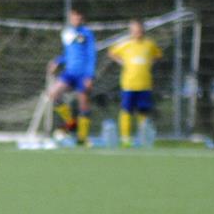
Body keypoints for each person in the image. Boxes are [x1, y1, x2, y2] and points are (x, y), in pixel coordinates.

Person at [108, 19, 161, 147]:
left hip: (145, 84)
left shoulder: (149, 44)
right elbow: (111, 53)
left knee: (143, 111)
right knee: (126, 110)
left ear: (143, 30)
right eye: (135, 30)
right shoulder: (126, 44)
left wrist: (149, 63)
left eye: (140, 29)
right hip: (129, 84)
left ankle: (143, 138)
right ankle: (125, 138)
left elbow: (158, 55)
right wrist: (122, 62)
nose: (138, 32)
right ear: (131, 31)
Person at [48, 10, 97, 145]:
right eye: (74, 18)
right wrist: (57, 61)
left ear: (82, 19)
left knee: (83, 103)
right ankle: (71, 122)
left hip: (83, 74)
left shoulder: (87, 33)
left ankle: (82, 138)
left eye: (79, 18)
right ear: (70, 18)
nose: (77, 20)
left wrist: (90, 76)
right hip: (69, 73)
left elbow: (92, 55)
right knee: (53, 93)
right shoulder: (67, 33)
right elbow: (68, 53)